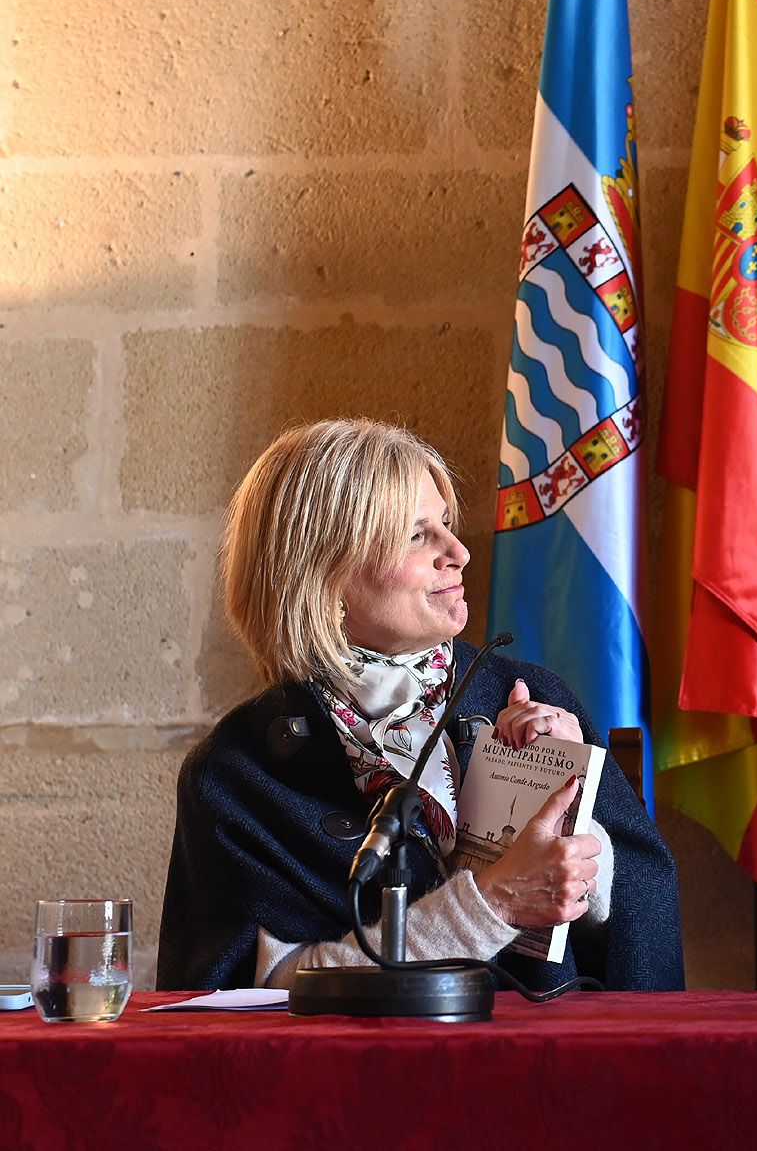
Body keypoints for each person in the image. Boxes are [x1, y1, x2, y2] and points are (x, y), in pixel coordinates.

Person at [158, 419, 683, 991]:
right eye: (416, 535)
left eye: (447, 526)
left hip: (544, 1067)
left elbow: (643, 902)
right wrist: (491, 905)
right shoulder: (237, 771)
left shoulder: (532, 694)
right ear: (321, 576)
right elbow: (268, 991)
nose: (458, 552)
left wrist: (577, 835)